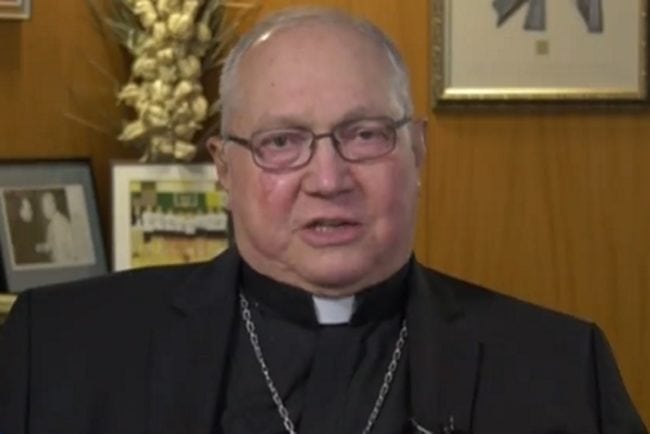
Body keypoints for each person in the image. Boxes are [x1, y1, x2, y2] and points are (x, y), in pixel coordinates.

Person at [0, 7, 646, 434]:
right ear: (224, 169)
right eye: (281, 142)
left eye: (364, 134)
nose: (329, 179)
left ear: (417, 152)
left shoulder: (561, 369)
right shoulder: (58, 351)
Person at [34, 191, 76, 263]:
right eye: (43, 207)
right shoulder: (51, 224)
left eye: (45, 207)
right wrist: (39, 248)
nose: (43, 211)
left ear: (53, 205)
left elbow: (61, 252)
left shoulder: (59, 222)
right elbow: (51, 245)